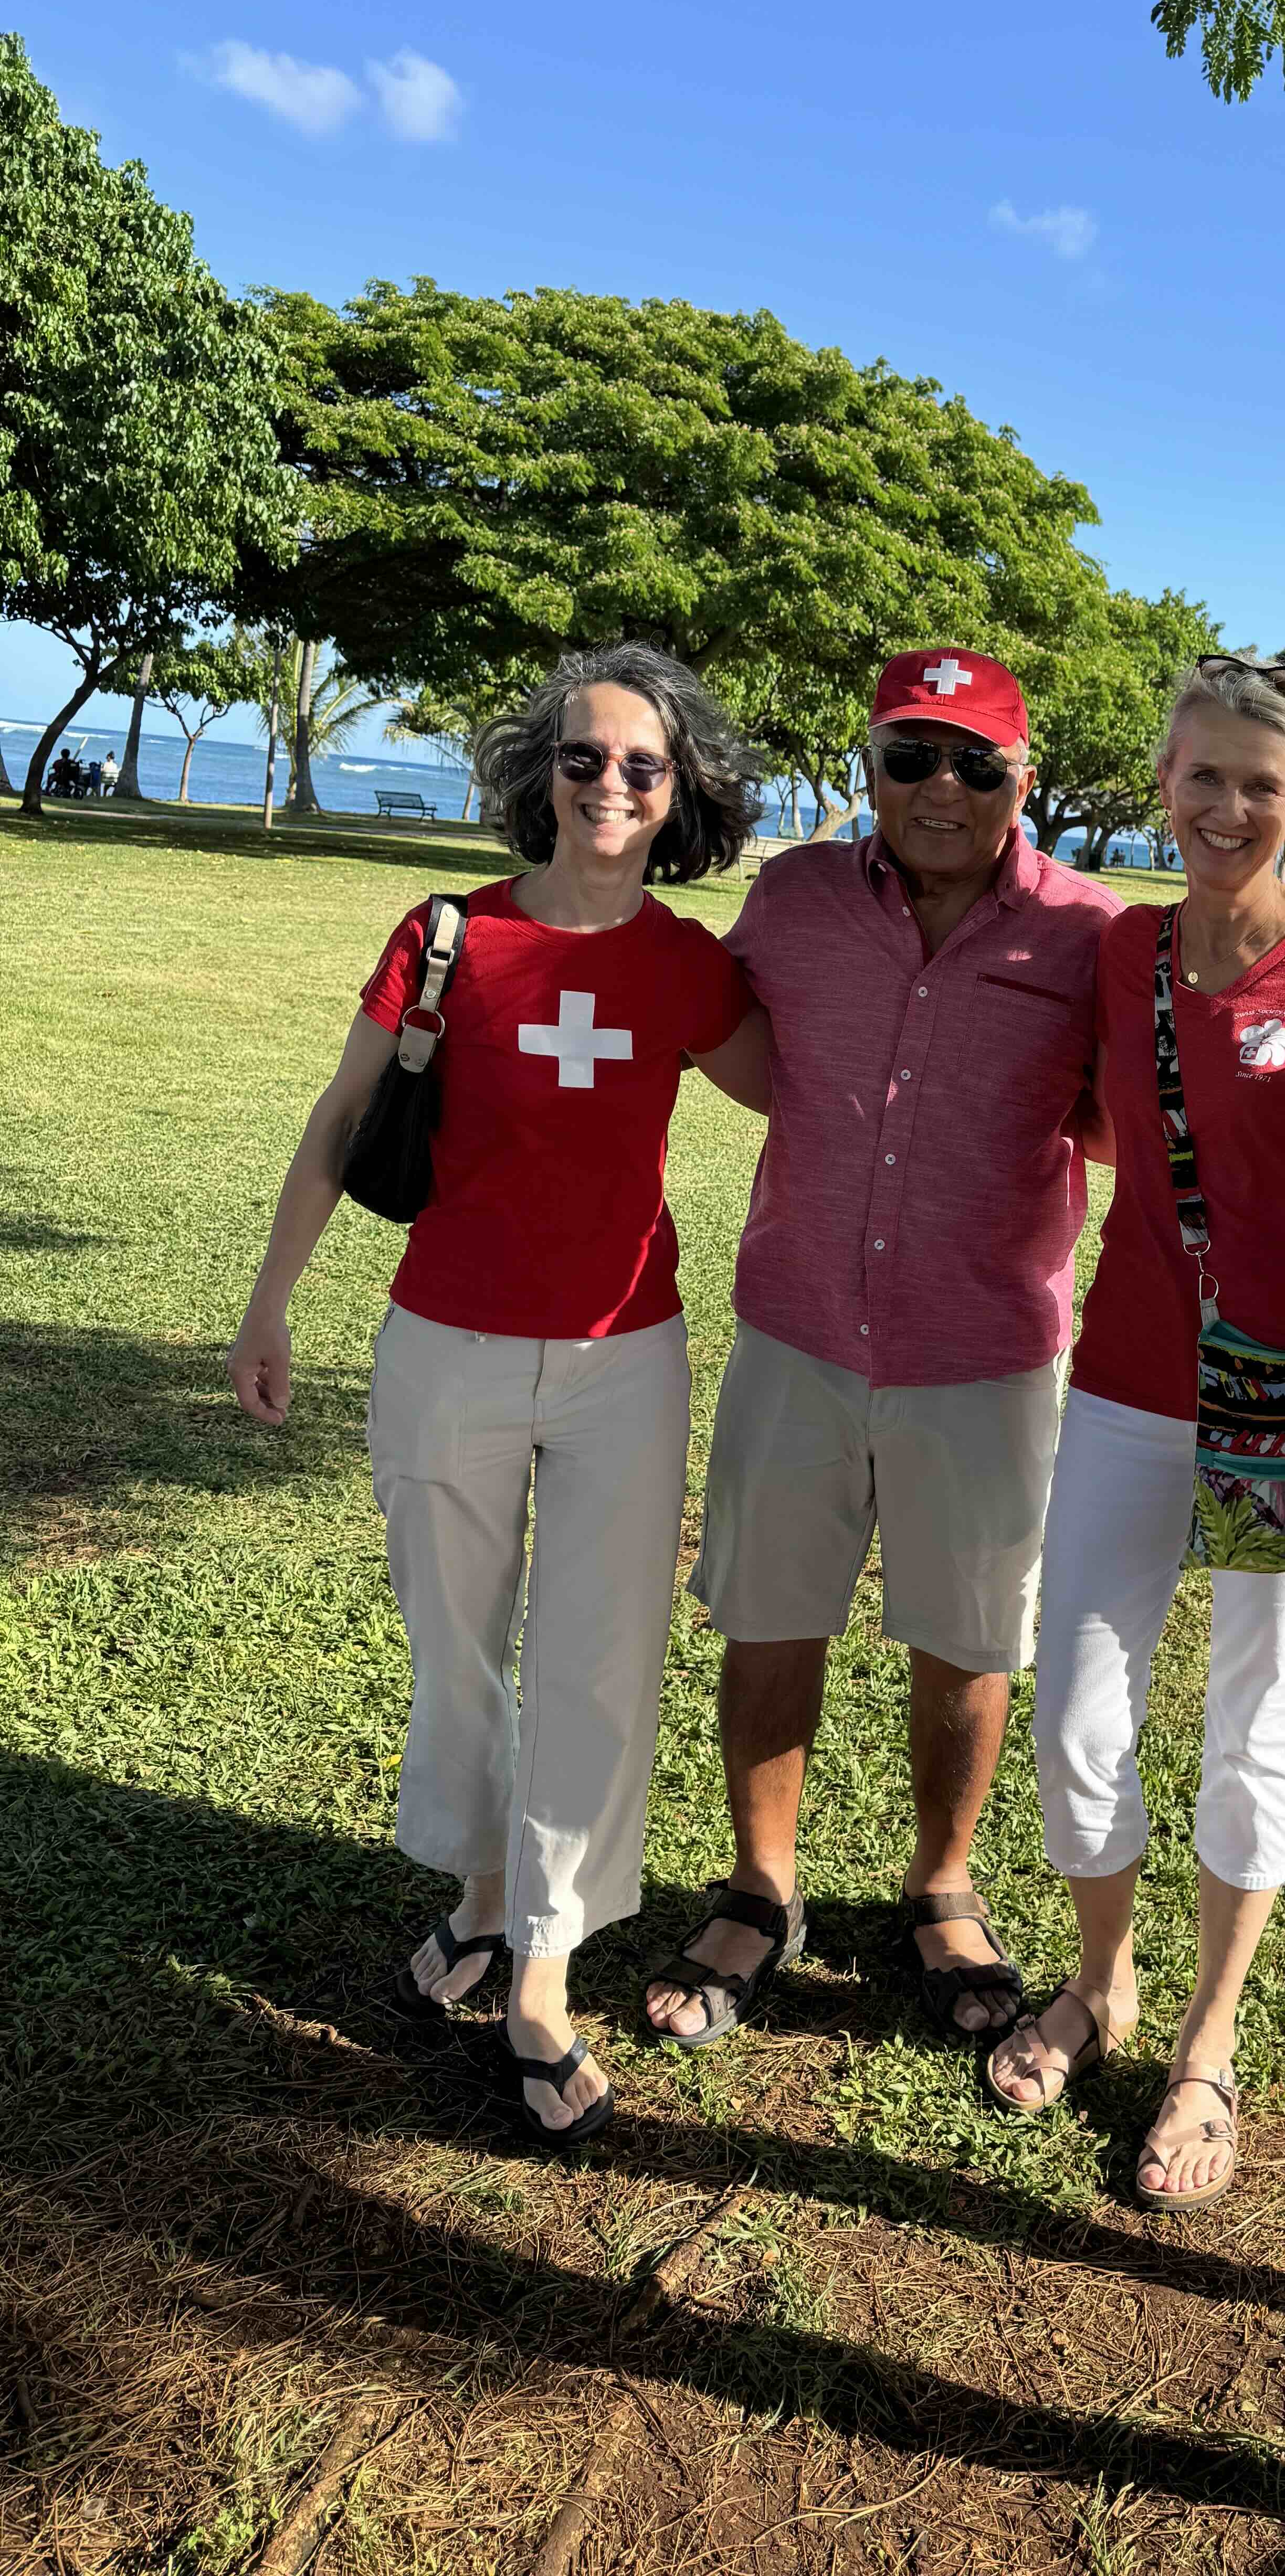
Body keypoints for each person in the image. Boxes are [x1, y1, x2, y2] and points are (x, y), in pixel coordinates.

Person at [228, 644, 761, 2147]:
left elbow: (817, 1090)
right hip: (441, 1344)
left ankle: (540, 1970)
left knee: (595, 1659)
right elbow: (342, 1119)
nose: (608, 785)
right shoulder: (448, 936)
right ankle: (480, 1885)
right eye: (583, 759)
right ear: (539, 773)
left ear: (680, 795)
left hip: (623, 1360)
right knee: (455, 1644)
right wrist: (270, 1301)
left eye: (641, 767)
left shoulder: (682, 963)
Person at [983, 655, 1285, 2210]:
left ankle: (1206, 2042)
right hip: (1129, 1379)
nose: (1229, 805)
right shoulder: (1126, 954)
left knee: (1256, 1710)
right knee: (1080, 1705)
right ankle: (1103, 1978)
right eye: (1203, 776)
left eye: (1261, 783)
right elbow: (1094, 1115)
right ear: (1163, 783)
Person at [643, 649, 1119, 2056]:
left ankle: (940, 1884)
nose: (940, 789)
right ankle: (762, 1885)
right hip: (798, 1328)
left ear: (1021, 781)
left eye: (976, 762)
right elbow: (721, 1037)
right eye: (912, 755)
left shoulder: (1088, 937)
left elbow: (1126, 1124)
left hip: (988, 1348)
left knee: (966, 1642)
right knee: (770, 1613)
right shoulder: (791, 899)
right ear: (869, 764)